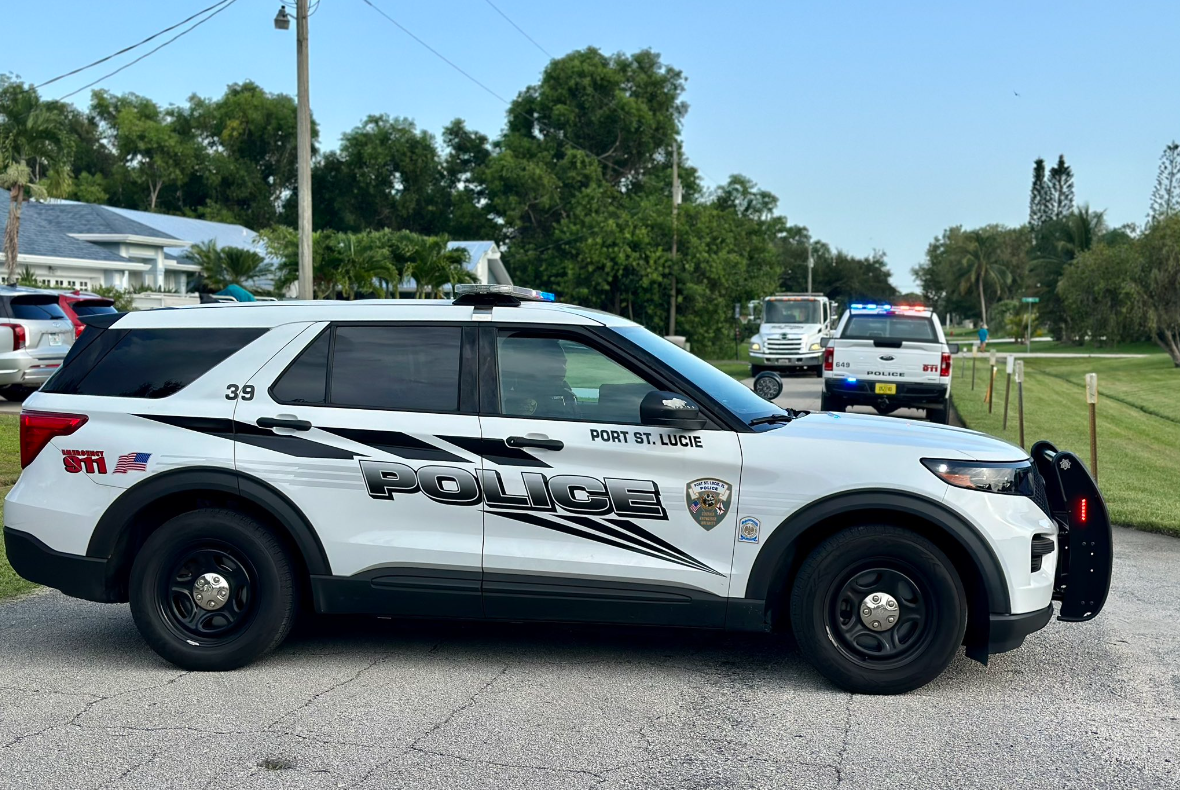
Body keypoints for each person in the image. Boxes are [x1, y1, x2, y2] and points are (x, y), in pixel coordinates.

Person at [499, 336, 580, 418]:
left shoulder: (567, 396)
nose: (563, 368)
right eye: (554, 363)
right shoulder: (518, 400)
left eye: (564, 363)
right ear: (533, 367)